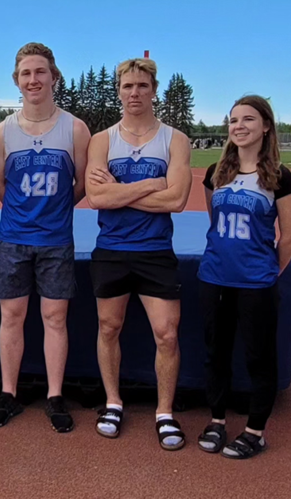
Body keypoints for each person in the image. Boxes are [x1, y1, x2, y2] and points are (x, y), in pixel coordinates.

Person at [86, 58, 192, 450]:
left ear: (153, 90)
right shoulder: (102, 140)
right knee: (109, 328)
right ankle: (113, 401)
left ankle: (164, 412)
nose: (135, 93)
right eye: (128, 86)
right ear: (119, 90)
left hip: (155, 251)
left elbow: (178, 199)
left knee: (166, 333)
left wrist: (121, 192)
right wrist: (153, 183)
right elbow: (96, 197)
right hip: (112, 250)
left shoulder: (173, 139)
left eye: (142, 86)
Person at [0, 43, 90, 433]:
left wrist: (56, 212)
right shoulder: (2, 133)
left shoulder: (75, 128)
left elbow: (79, 184)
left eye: (40, 72)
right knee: (11, 316)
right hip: (13, 237)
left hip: (56, 239)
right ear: (17, 80)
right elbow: (1, 186)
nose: (34, 79)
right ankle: (9, 393)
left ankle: (54, 395)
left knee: (54, 317)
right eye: (26, 73)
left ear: (54, 77)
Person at [196, 96, 291, 460]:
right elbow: (215, 222)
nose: (238, 126)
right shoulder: (215, 173)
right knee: (216, 353)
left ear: (266, 126)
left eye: (248, 120)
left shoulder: (278, 177)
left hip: (256, 283)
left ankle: (255, 430)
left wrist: (267, 272)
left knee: (259, 357)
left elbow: (287, 237)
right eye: (234, 120)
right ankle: (217, 420)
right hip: (214, 277)